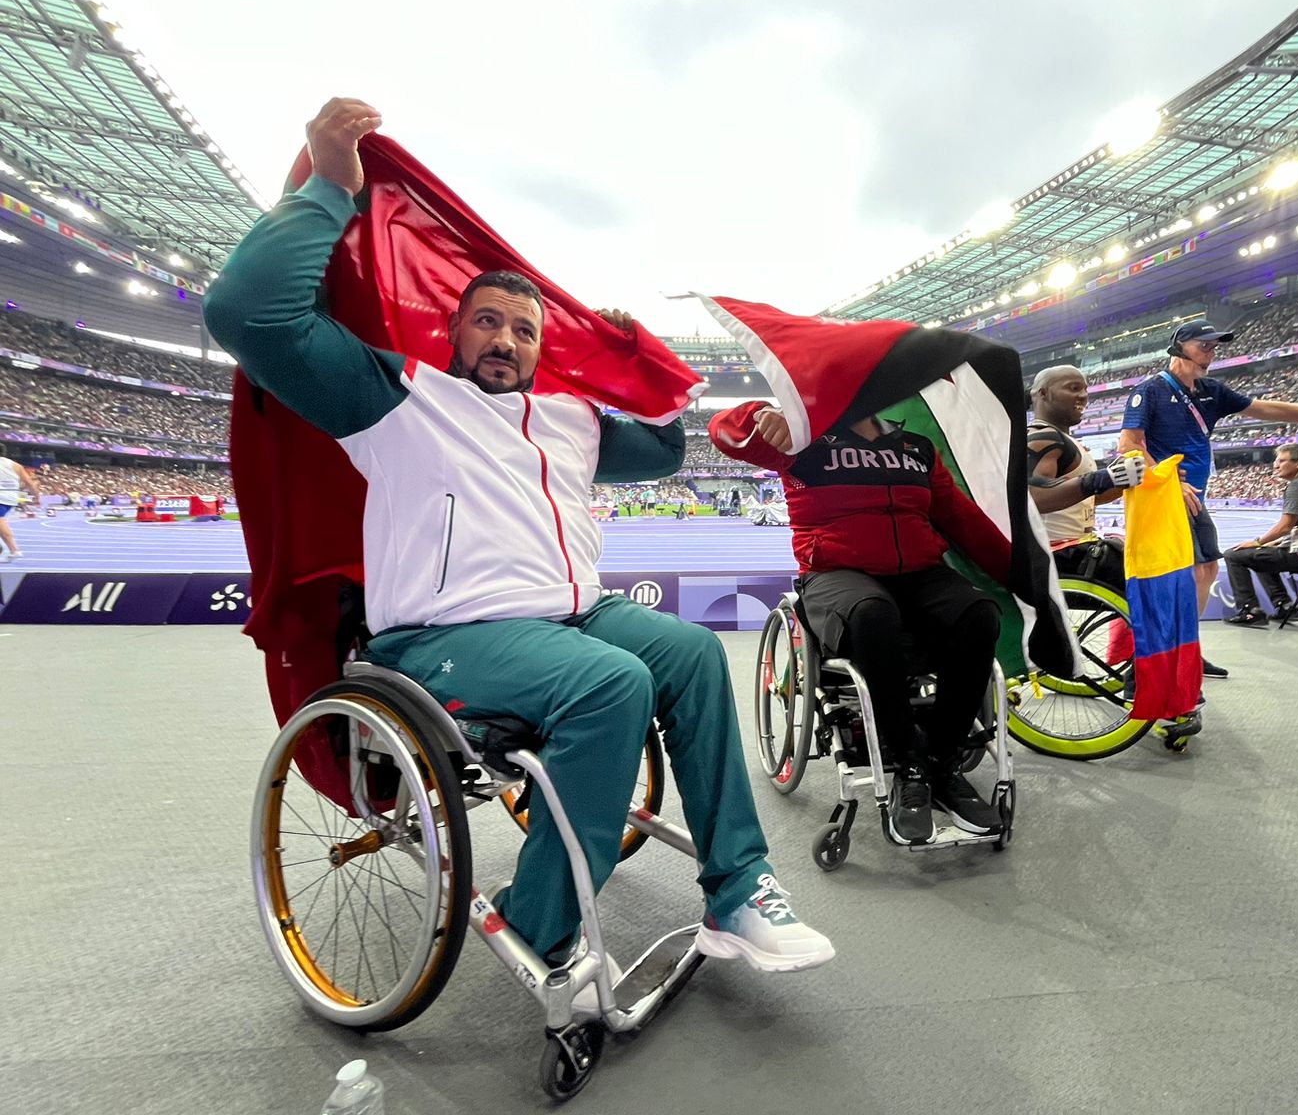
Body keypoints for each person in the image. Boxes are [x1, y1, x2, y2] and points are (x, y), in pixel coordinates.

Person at [205, 98, 833, 986]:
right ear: (452, 330)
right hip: (445, 637)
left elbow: (660, 446)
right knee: (613, 684)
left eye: (525, 330)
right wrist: (330, 190)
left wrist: (625, 352)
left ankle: (738, 887)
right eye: (487, 322)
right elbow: (249, 317)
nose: (505, 339)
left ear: (544, 349)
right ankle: (540, 934)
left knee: (691, 653)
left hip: (575, 620)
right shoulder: (396, 397)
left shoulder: (569, 419)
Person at [710, 399, 1010, 844]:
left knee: (979, 614)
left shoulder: (917, 447)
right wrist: (758, 415)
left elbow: (961, 519)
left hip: (919, 572)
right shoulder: (802, 438)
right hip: (836, 573)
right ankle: (908, 762)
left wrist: (1021, 574)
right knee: (873, 614)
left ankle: (941, 764)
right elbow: (725, 434)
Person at [1118, 320, 1298, 678]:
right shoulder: (1150, 391)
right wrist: (1167, 480)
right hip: (1164, 499)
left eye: (1215, 345)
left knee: (1207, 570)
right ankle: (1148, 662)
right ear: (1179, 345)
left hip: (1194, 499)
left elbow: (1267, 409)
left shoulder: (1211, 391)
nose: (1212, 350)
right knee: (1171, 578)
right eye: (1204, 344)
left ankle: (1186, 651)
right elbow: (1129, 444)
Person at [1026, 365, 1145, 588]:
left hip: (1071, 549)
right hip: (1057, 553)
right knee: (1149, 567)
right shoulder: (1042, 437)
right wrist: (1101, 479)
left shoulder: (1061, 439)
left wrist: (1123, 478)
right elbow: (1035, 496)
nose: (1083, 395)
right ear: (1043, 394)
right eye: (1073, 388)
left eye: (1085, 389)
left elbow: (1086, 498)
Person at [1220, 443, 1298, 625]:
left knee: (1233, 555)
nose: (1275, 465)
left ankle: (1250, 611)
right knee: (1262, 556)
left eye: (1281, 461)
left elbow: (1285, 527)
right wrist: (1265, 545)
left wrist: (1256, 541)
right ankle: (1285, 606)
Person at [0, 455, 39, 560]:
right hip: (11, 498)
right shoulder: (16, 466)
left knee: (0, 522)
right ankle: (12, 549)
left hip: (2, 497)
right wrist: (37, 497)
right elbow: (29, 483)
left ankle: (14, 550)